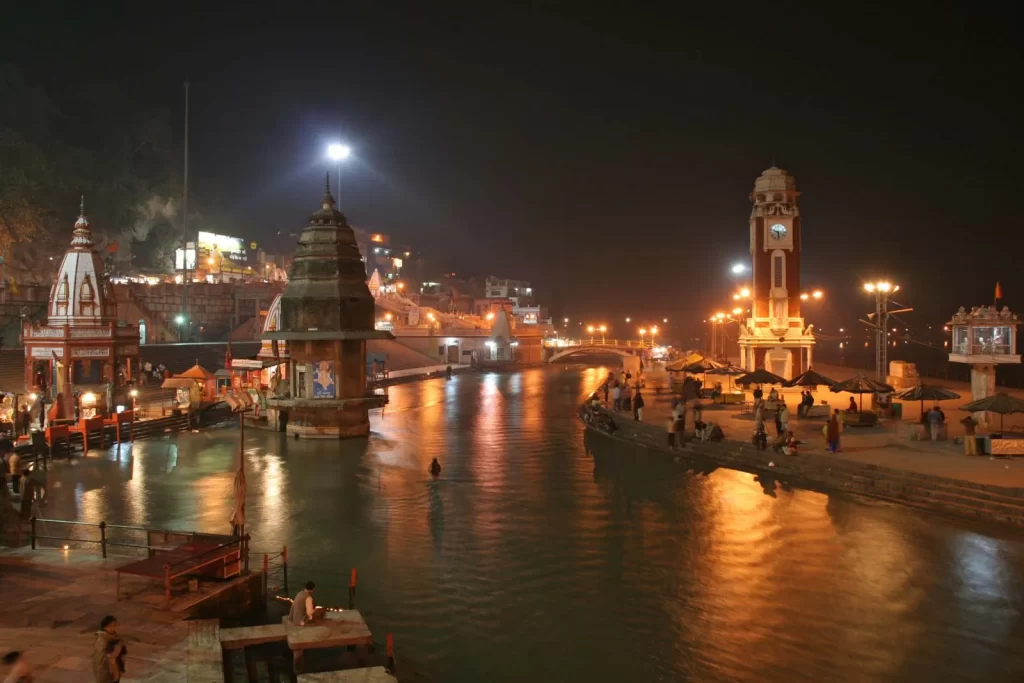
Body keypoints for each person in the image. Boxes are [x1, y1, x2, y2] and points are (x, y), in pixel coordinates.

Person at [93, 616, 122, 683]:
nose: (113, 628)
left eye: (114, 625)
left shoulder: (111, 635)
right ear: (105, 627)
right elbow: (104, 656)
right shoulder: (102, 639)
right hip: (105, 669)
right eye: (110, 626)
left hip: (111, 667)